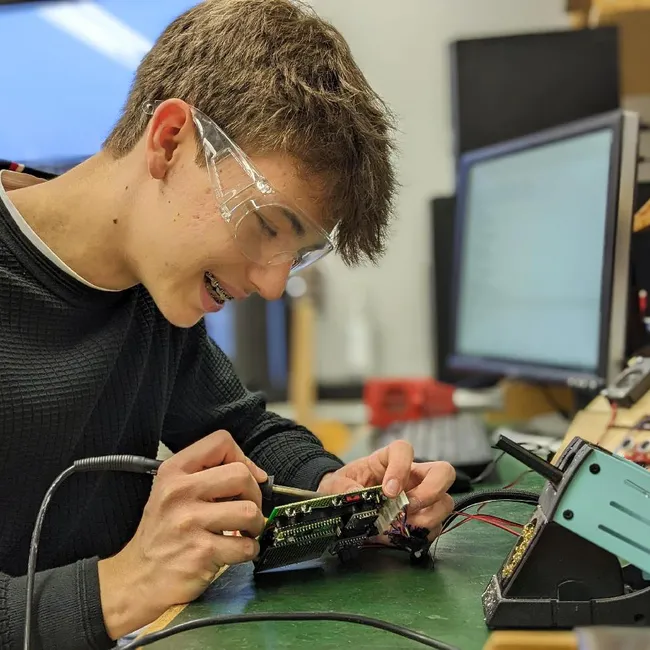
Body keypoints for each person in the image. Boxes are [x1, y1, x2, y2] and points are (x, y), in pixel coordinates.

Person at [0, 1, 455, 648]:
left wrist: (340, 496)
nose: (272, 285)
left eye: (295, 254)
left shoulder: (149, 299)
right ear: (169, 141)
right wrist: (121, 585)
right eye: (267, 226)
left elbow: (245, 431)